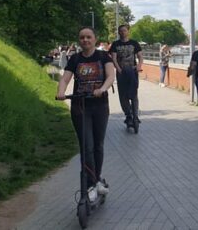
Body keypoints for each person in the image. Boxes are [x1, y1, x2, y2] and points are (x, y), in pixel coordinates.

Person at [56, 27, 115, 202]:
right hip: (80, 107)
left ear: (95, 39)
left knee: (98, 145)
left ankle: (96, 180)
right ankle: (92, 184)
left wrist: (102, 89)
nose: (85, 40)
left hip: (99, 107)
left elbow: (110, 76)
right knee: (86, 146)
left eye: (89, 37)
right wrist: (61, 91)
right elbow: (65, 78)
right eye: (82, 37)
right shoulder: (75, 59)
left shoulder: (103, 56)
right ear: (79, 40)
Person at [109, 24, 144, 127]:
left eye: (124, 30)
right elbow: (113, 58)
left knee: (134, 94)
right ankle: (128, 115)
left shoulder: (134, 43)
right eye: (121, 31)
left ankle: (135, 115)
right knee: (123, 95)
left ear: (128, 31)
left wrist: (139, 65)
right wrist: (118, 69)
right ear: (118, 32)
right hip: (121, 72)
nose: (123, 32)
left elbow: (140, 56)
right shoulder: (115, 44)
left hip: (133, 72)